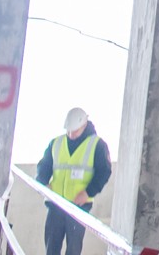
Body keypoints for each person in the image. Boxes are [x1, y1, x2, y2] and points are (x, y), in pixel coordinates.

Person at [35, 107, 111, 255]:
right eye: (68, 131)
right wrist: (43, 183)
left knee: (73, 249)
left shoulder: (97, 145)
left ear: (84, 126)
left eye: (75, 131)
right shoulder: (56, 143)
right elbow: (43, 166)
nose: (71, 134)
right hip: (55, 204)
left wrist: (88, 192)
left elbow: (104, 172)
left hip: (79, 206)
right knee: (51, 247)